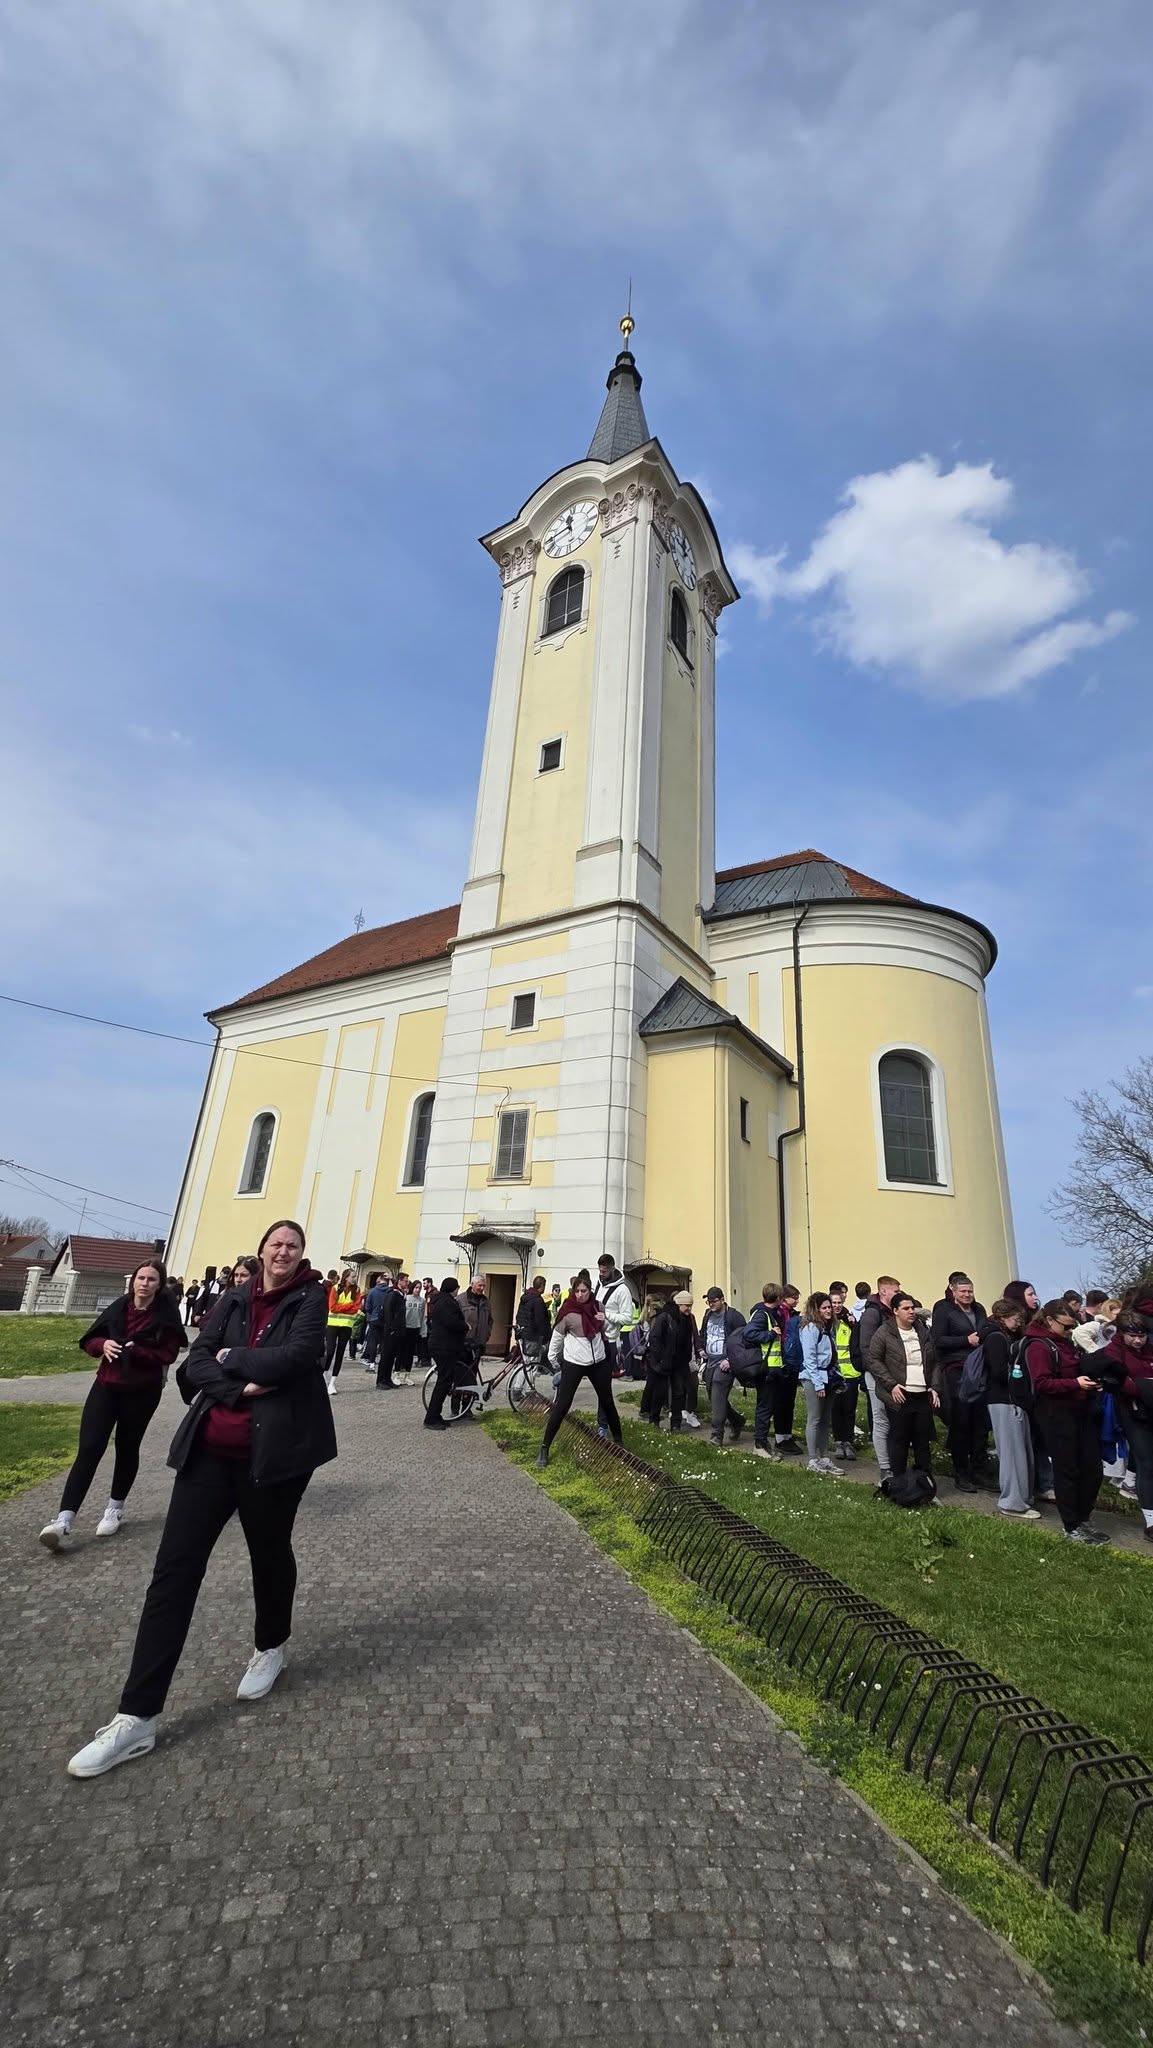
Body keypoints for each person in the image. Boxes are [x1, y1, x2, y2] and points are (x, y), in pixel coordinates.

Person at [66, 1220, 335, 1778]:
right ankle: (136, 1717)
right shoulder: (234, 1297)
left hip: (274, 1460)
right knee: (173, 1572)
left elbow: (298, 1358)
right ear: (260, 1249)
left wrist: (230, 1360)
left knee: (269, 1552)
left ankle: (271, 1645)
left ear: (302, 1254)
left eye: (292, 1245)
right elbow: (193, 1366)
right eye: (275, 1244)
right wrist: (238, 1378)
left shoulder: (312, 1296)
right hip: (208, 1453)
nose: (282, 1252)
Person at [39, 1260, 188, 1552]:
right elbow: (90, 1339)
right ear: (133, 1281)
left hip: (141, 1391)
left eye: (151, 1279)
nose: (144, 1283)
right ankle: (63, 1519)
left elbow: (170, 1352)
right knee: (90, 1447)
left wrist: (140, 1352)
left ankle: (114, 1508)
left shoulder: (164, 1316)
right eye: (141, 1277)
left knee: (127, 1447)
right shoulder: (119, 1308)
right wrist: (103, 1345)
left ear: (160, 1286)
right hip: (106, 1386)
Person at [1025, 1299, 1106, 1543]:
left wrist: (1090, 1384)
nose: (1070, 1331)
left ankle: (1083, 1518)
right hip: (1055, 1414)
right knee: (1067, 1469)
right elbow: (1041, 1383)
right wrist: (1075, 1384)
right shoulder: (1038, 1346)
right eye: (1066, 1326)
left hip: (1080, 1411)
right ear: (1049, 1321)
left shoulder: (1066, 1343)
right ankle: (1071, 1526)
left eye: (1073, 1326)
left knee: (1092, 1469)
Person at [537, 1280, 621, 1465]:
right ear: (573, 1292)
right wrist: (554, 1361)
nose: (581, 1294)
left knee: (607, 1402)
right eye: (577, 1291)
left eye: (584, 1291)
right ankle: (544, 1448)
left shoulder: (598, 1306)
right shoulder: (568, 1311)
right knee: (562, 1405)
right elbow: (557, 1338)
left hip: (598, 1361)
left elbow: (607, 1331)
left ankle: (620, 1444)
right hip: (574, 1362)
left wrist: (604, 1321)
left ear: (590, 1291)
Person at [867, 1294, 943, 1477]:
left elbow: (934, 1362)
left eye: (912, 1308)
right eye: (906, 1308)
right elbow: (874, 1360)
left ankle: (925, 1484)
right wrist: (891, 1385)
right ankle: (899, 1484)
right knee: (899, 1440)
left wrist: (934, 1387)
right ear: (895, 1311)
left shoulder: (922, 1332)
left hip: (922, 1393)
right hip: (899, 1395)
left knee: (922, 1442)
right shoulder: (884, 1332)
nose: (911, 1312)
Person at [980, 1298, 1039, 1518]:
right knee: (1011, 1453)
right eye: (1016, 1319)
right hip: (1003, 1400)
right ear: (1004, 1318)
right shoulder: (997, 1338)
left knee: (1018, 1450)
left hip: (1009, 1400)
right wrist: (1020, 1381)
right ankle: (1012, 1502)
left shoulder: (1002, 1336)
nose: (1018, 1323)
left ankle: (1021, 1497)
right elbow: (998, 1372)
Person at [931, 1273, 990, 1493]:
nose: (967, 1295)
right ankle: (961, 1470)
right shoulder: (944, 1309)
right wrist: (966, 1340)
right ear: (953, 1292)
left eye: (970, 1291)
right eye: (963, 1291)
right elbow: (938, 1340)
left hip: (979, 1368)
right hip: (956, 1369)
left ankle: (980, 1468)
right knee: (961, 1418)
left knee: (980, 1420)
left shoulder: (979, 1309)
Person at [1096, 1313, 1153, 1542]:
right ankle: (1150, 1520)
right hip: (1133, 1413)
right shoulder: (1114, 1352)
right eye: (1133, 1336)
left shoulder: (1149, 1350)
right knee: (1146, 1463)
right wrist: (1142, 1387)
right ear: (1122, 1334)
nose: (1138, 1341)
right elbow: (1121, 1384)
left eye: (1142, 1336)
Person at [856, 1276, 901, 1483]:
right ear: (883, 1292)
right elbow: (866, 1348)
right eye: (895, 1291)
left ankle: (896, 1463)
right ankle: (885, 1468)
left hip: (894, 1375)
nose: (898, 1294)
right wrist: (878, 1374)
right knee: (881, 1418)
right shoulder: (872, 1314)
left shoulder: (893, 1312)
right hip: (877, 1375)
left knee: (895, 1419)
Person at [798, 1292, 843, 1476]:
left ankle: (824, 1456)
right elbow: (810, 1359)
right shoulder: (810, 1329)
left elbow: (832, 1353)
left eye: (829, 1307)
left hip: (829, 1376)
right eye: (824, 1308)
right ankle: (812, 1458)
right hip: (813, 1377)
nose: (828, 1310)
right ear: (815, 1310)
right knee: (815, 1418)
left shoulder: (829, 1327)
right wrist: (817, 1384)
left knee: (825, 1420)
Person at [642, 1291, 698, 1431]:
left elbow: (687, 1341)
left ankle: (676, 1423)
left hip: (679, 1363)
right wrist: (659, 1361)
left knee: (679, 1393)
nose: (689, 1309)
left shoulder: (687, 1319)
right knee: (659, 1393)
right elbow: (655, 1339)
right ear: (679, 1304)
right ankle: (654, 1419)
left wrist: (686, 1359)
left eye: (690, 1306)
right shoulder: (664, 1317)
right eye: (687, 1305)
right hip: (663, 1362)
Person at [741, 1284, 786, 1459]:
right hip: (765, 1369)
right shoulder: (762, 1314)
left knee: (769, 1407)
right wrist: (770, 1334)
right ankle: (759, 1444)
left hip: (773, 1368)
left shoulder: (770, 1313)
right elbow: (749, 1334)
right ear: (777, 1298)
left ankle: (763, 1443)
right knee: (764, 1408)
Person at [699, 1287, 745, 1446]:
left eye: (713, 1301)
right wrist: (700, 1348)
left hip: (726, 1363)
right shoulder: (707, 1315)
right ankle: (736, 1420)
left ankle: (716, 1435)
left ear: (722, 1299)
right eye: (708, 1301)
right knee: (715, 1397)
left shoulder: (734, 1316)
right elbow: (702, 1333)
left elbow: (743, 1340)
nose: (710, 1304)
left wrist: (731, 1360)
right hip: (710, 1361)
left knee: (718, 1391)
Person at [423, 1278, 470, 1431]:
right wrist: (465, 1326)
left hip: (443, 1345)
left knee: (445, 1380)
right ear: (453, 1288)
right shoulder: (447, 1302)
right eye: (457, 1288)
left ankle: (436, 1415)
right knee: (443, 1382)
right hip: (444, 1346)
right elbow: (451, 1322)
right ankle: (431, 1417)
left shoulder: (442, 1301)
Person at [828, 1287, 860, 1459]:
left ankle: (849, 1441)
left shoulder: (850, 1321)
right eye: (834, 1303)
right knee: (836, 1409)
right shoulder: (826, 1323)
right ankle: (839, 1441)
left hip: (850, 1373)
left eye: (839, 1302)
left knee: (849, 1409)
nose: (837, 1306)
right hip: (834, 1374)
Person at [323, 1268, 362, 1393]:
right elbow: (332, 1307)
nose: (354, 1279)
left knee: (340, 1354)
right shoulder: (335, 1288)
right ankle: (323, 1376)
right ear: (346, 1277)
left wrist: (344, 1308)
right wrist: (348, 1306)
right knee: (329, 1351)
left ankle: (333, 1382)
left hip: (347, 1325)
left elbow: (356, 1308)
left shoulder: (356, 1290)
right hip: (333, 1324)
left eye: (355, 1276)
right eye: (353, 1276)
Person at [375, 1274, 407, 1390]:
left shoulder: (400, 1294)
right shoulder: (393, 1293)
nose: (407, 1283)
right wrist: (391, 1328)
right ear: (399, 1281)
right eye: (405, 1281)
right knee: (386, 1356)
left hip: (398, 1329)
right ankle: (381, 1380)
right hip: (390, 1330)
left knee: (392, 1356)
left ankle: (387, 1379)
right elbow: (388, 1311)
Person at [515, 1275, 552, 1369]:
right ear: (542, 1285)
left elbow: (519, 1316)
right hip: (533, 1336)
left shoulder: (525, 1297)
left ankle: (517, 1384)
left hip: (523, 1334)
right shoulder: (537, 1301)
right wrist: (546, 1337)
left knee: (525, 1362)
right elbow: (540, 1321)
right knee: (532, 1365)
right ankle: (524, 1384)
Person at [460, 1275, 492, 1376]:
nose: (482, 1288)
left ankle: (470, 1391)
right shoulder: (461, 1300)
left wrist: (486, 1334)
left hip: (479, 1343)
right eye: (479, 1285)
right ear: (472, 1285)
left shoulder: (486, 1301)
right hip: (464, 1343)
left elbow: (490, 1320)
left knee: (473, 1372)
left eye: (484, 1286)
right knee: (462, 1371)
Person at [400, 1282, 427, 1385]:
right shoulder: (406, 1298)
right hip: (405, 1327)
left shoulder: (422, 1301)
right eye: (416, 1287)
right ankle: (397, 1373)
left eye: (419, 1288)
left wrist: (422, 1331)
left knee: (411, 1353)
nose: (418, 1290)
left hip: (415, 1328)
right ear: (412, 1288)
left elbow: (422, 1316)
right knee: (401, 1351)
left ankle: (407, 1375)